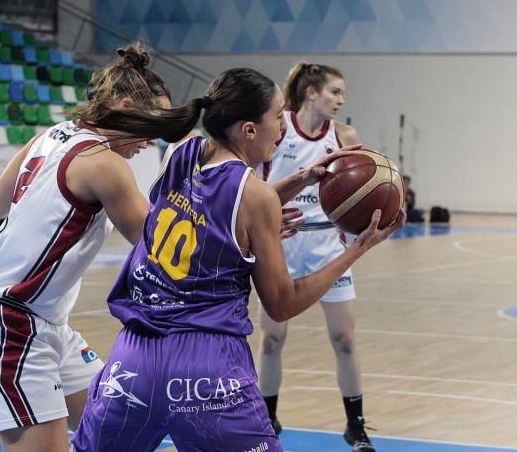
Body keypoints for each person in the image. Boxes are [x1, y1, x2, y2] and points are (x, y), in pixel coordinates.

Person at [71, 67, 405, 452]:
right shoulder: (256, 197)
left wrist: (299, 179)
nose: (282, 127)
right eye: (277, 117)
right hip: (206, 368)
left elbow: (208, 218)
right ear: (249, 129)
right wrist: (356, 249)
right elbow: (282, 303)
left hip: (134, 357)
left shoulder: (183, 153)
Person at [0, 43, 179, 452]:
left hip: (49, 326)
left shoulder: (52, 135)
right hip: (15, 329)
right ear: (126, 106)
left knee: (124, 427)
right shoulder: (105, 163)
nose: (153, 140)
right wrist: (241, 219)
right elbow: (162, 249)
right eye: (153, 125)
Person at [258, 62, 377, 452]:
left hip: (327, 245)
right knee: (272, 339)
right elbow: (259, 186)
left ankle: (355, 426)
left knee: (344, 339)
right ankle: (267, 417)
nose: (341, 100)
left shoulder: (344, 136)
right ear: (312, 92)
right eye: (335, 92)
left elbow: (360, 188)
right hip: (283, 242)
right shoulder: (278, 131)